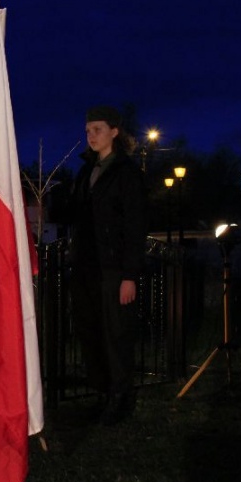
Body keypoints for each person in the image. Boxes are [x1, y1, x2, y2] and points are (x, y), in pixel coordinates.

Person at [68, 106, 147, 425]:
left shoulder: (126, 173)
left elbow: (135, 227)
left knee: (116, 335)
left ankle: (120, 397)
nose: (91, 135)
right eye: (88, 130)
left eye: (97, 129)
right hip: (86, 267)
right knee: (92, 331)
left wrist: (129, 275)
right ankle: (102, 392)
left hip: (112, 268)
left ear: (115, 131)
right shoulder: (86, 171)